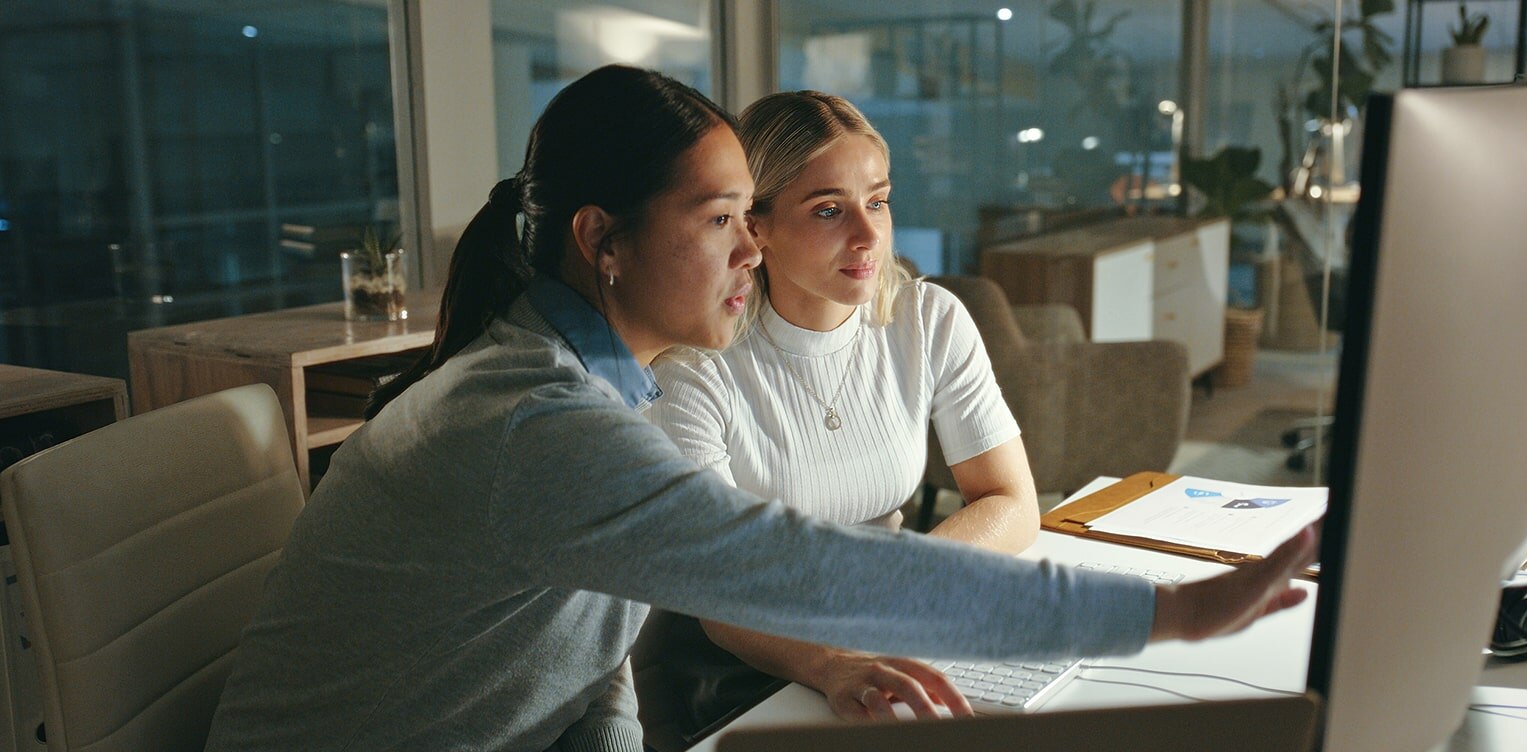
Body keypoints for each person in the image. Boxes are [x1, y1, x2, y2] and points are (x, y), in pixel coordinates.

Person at [205, 66, 1317, 752]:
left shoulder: (588, 388)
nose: (752, 247)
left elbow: (586, 664)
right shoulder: (537, 426)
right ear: (602, 240)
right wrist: (1168, 614)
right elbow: (803, 568)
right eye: (725, 217)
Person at [640, 90, 1042, 730]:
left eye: (877, 202)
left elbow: (1013, 503)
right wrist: (834, 663)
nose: (869, 236)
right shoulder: (695, 369)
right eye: (830, 210)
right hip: (732, 676)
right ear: (756, 225)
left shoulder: (926, 319)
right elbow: (719, 600)